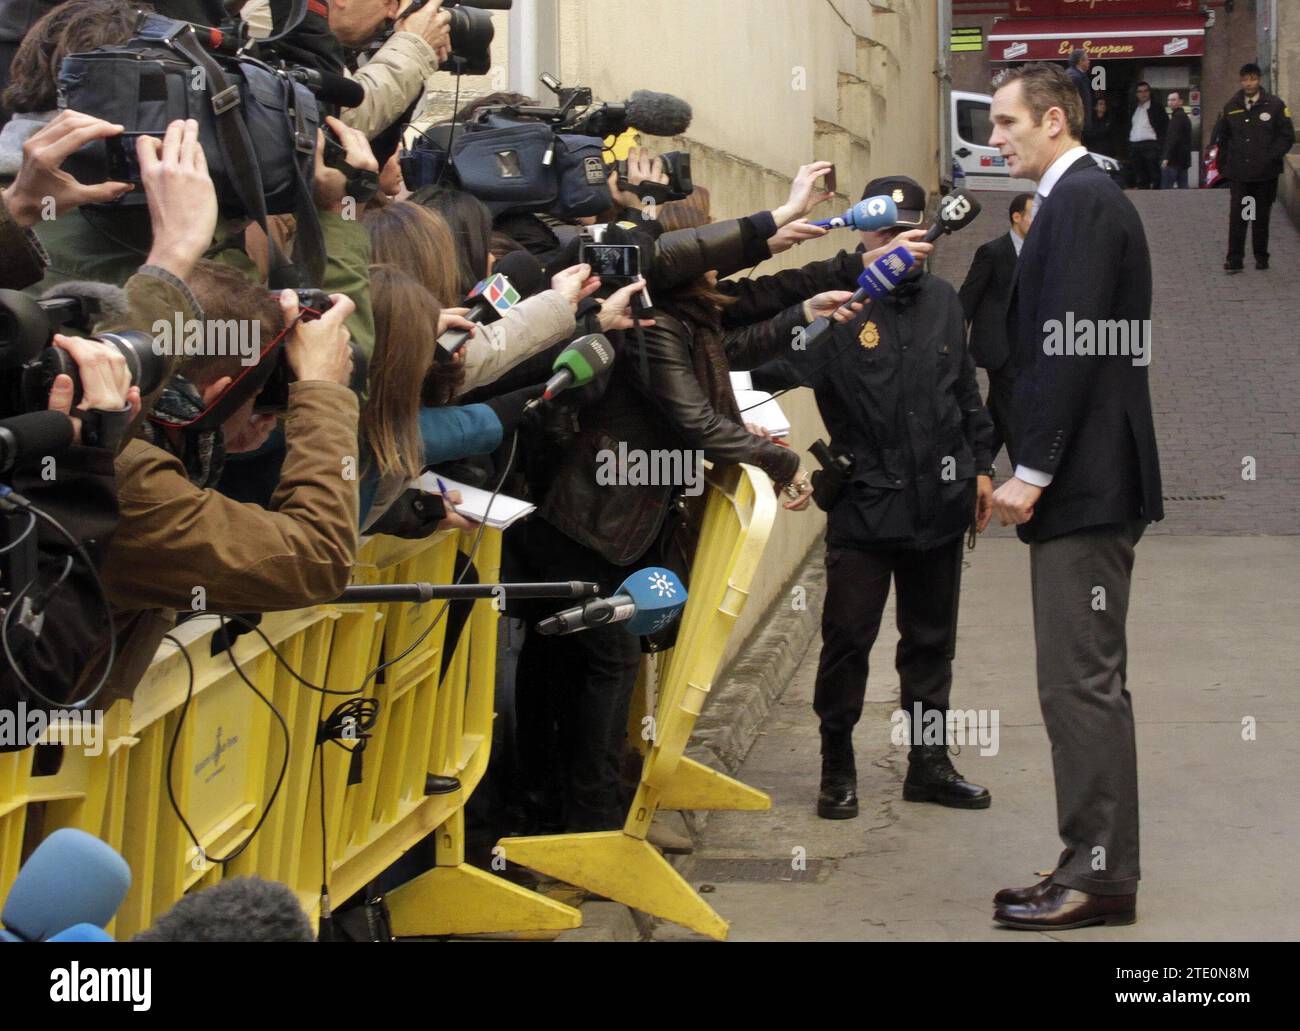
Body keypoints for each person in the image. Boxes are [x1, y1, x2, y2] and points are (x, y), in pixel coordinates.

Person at [752, 174, 995, 821]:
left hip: (938, 506)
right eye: (879, 232)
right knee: (847, 640)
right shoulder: (843, 304)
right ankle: (838, 762)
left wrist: (980, 465)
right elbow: (764, 369)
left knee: (930, 642)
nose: (890, 243)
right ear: (864, 234)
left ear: (923, 232)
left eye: (901, 231)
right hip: (865, 503)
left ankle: (929, 762)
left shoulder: (945, 300)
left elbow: (964, 392)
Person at [987, 62, 1163, 929]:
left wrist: (1033, 469)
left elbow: (1072, 344)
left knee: (1080, 683)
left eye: (1006, 122)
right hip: (1087, 479)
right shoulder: (1076, 201)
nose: (995, 137)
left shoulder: (1086, 201)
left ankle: (1099, 877)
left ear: (1054, 121)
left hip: (1089, 482)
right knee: (1080, 681)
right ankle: (1089, 860)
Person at [958, 191, 1033, 461]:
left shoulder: (1042, 252)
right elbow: (969, 295)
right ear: (1017, 217)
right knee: (1013, 410)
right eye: (1034, 215)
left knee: (999, 414)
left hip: (1026, 348)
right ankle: (1023, 473)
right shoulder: (992, 252)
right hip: (999, 347)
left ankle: (973, 466)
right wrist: (953, 335)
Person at [1218, 62, 1295, 273]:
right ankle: (1235, 259)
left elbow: (1286, 136)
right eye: (1245, 79)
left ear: (1259, 80)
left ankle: (1261, 256)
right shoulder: (1231, 106)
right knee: (1240, 216)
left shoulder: (1275, 105)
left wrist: (1271, 157)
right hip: (1241, 175)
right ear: (1241, 81)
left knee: (1260, 217)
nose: (1249, 83)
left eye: (1252, 79)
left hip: (1265, 175)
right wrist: (1224, 165)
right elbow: (1222, 137)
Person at [1126, 81, 1167, 190]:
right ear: (1136, 94)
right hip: (1135, 145)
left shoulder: (1157, 108)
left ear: (1149, 92)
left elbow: (1164, 128)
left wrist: (1159, 145)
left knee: (1154, 174)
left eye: (1145, 91)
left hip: (1151, 145)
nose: (1143, 94)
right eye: (1140, 91)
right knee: (1139, 175)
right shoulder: (1133, 108)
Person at [1160, 90, 1192, 189]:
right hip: (1183, 160)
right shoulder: (1183, 116)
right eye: (1169, 100)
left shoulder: (1177, 117)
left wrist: (1166, 157)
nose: (1170, 102)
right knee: (1183, 188)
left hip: (1174, 160)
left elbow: (1173, 138)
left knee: (1166, 190)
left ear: (1180, 101)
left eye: (1174, 100)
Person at [1065, 49, 1092, 134]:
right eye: (1087, 59)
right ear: (1080, 61)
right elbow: (1071, 101)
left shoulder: (1078, 75)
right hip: (1076, 122)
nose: (1089, 61)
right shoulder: (1074, 77)